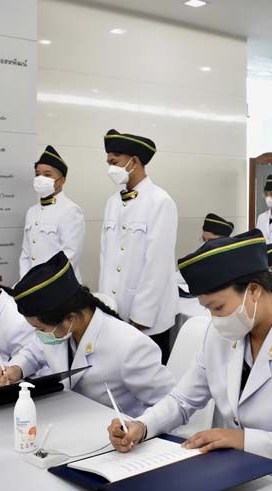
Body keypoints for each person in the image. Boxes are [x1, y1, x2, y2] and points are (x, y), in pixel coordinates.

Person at [107, 230, 272, 490]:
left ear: (253, 291)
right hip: (231, 474)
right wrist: (142, 426)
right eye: (208, 309)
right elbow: (182, 400)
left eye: (218, 307)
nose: (215, 319)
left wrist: (243, 440)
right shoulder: (220, 335)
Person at [0, 252, 175, 418]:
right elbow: (34, 352)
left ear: (70, 318)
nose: (39, 334)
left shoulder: (130, 346)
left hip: (119, 431)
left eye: (40, 329)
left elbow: (168, 403)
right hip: (75, 419)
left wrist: (140, 427)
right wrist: (15, 369)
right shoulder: (63, 330)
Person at [100, 129, 178, 362]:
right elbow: (106, 259)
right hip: (116, 313)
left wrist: (141, 317)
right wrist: (105, 308)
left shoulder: (160, 201)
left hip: (147, 319)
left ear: (134, 162)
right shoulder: (112, 202)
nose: (110, 168)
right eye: (108, 162)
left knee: (148, 375)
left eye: (114, 162)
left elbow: (158, 265)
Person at [19, 145, 86, 281]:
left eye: (47, 175)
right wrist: (25, 283)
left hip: (60, 285)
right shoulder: (32, 211)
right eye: (37, 174)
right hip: (32, 286)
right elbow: (26, 254)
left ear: (62, 180)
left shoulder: (71, 210)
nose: (40, 178)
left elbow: (70, 256)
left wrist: (44, 284)